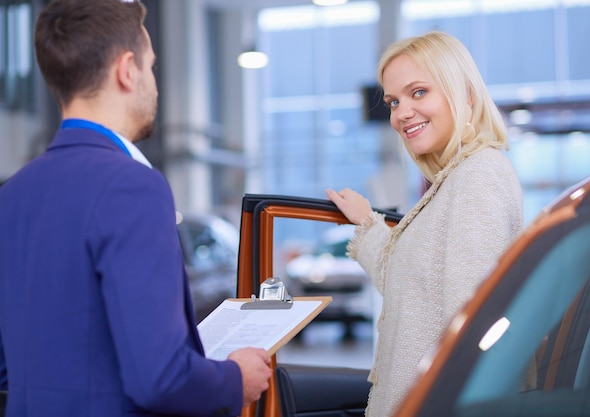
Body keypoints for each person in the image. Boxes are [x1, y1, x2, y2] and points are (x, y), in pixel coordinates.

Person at [0, 1, 271, 416]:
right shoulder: (131, 187)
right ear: (127, 70)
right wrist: (236, 377)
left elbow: (7, 367)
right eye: (151, 67)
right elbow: (159, 379)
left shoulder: (13, 194)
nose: (154, 84)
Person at [326, 31, 523, 417]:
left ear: (465, 93)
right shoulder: (455, 180)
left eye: (419, 93)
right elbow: (414, 287)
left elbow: (471, 332)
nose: (401, 113)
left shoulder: (478, 176)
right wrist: (368, 222)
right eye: (394, 101)